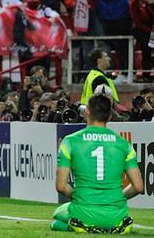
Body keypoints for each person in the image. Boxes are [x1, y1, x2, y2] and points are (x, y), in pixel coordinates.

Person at [51, 94, 144, 233]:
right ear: (110, 116)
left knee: (57, 218)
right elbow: (138, 187)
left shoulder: (70, 141)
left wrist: (81, 197)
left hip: (84, 210)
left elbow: (61, 186)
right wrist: (114, 198)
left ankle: (82, 227)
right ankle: (119, 226)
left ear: (86, 112)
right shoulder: (124, 144)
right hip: (116, 214)